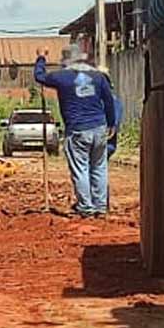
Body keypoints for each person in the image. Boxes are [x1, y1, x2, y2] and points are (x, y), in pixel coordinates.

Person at [35, 45, 116, 218]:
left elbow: (39, 76)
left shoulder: (61, 77)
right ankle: (100, 207)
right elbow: (108, 101)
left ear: (66, 61)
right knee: (99, 168)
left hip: (77, 129)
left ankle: (86, 208)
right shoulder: (98, 76)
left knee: (81, 169)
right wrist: (112, 124)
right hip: (99, 127)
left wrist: (41, 57)